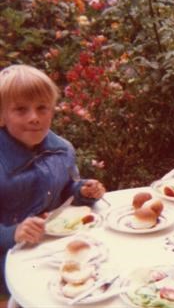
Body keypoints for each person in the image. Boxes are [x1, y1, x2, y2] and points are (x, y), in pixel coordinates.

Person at [0, 65, 106, 296]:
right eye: (21, 110)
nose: (34, 118)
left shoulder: (61, 150)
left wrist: (81, 191)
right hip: (8, 260)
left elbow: (64, 190)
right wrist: (13, 233)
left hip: (52, 249)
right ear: (1, 116)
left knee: (98, 275)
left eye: (42, 108)